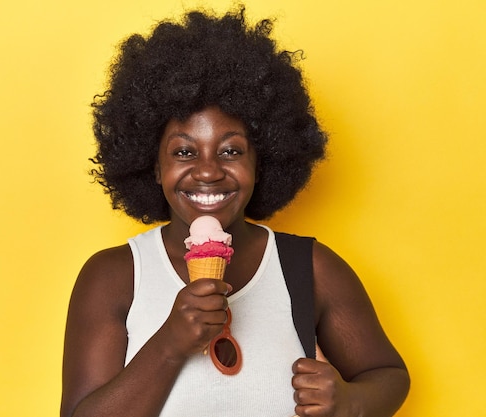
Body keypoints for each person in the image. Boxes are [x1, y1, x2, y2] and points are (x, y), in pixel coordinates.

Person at [61, 6, 409, 417]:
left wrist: (352, 402)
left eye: (230, 150)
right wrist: (169, 344)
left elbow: (388, 373)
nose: (208, 170)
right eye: (184, 151)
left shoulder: (309, 268)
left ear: (262, 162)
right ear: (153, 166)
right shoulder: (113, 277)